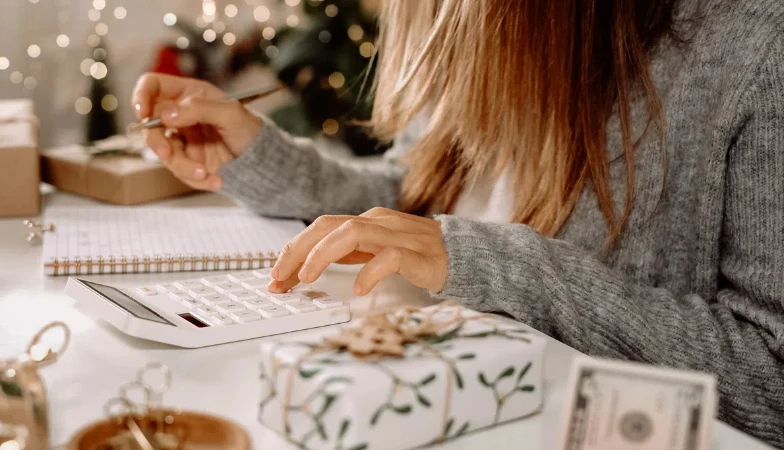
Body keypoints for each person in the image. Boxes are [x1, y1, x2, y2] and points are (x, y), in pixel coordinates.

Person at [132, 0, 784, 446]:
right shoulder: (470, 25)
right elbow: (412, 198)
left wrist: (489, 263)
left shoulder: (753, 48)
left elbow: (771, 380)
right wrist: (256, 153)